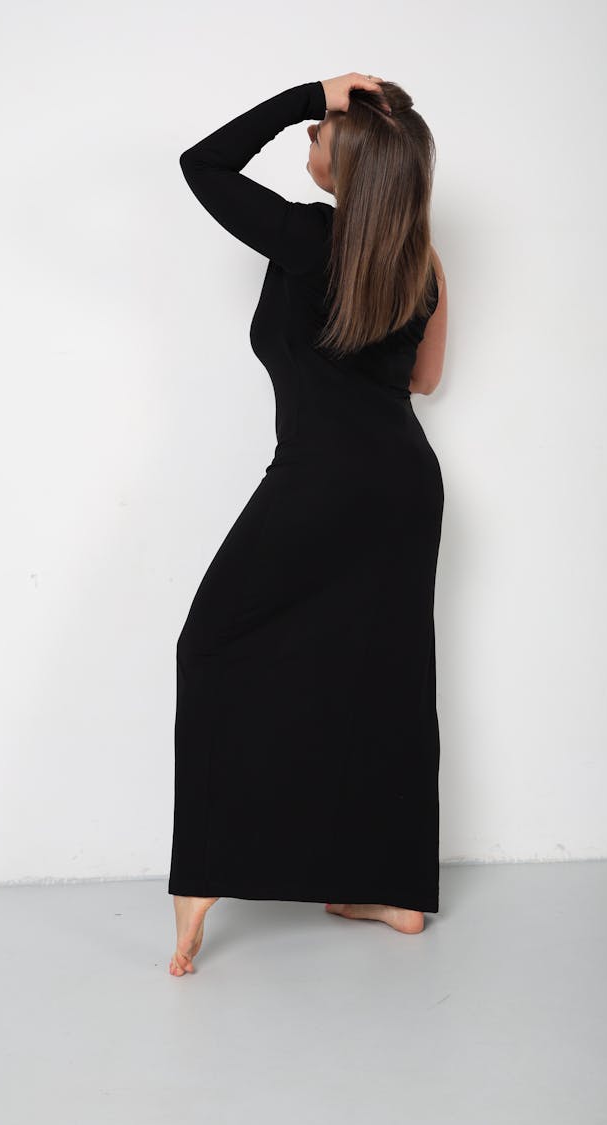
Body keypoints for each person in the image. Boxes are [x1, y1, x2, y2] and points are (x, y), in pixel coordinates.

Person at [168, 72, 448, 976]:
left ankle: (204, 874)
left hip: (320, 481)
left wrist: (307, 92)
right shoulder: (423, 261)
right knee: (386, 680)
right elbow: (423, 382)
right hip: (404, 487)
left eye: (319, 134)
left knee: (208, 646)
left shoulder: (304, 239)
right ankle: (397, 890)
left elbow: (201, 163)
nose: (307, 143)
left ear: (352, 162)